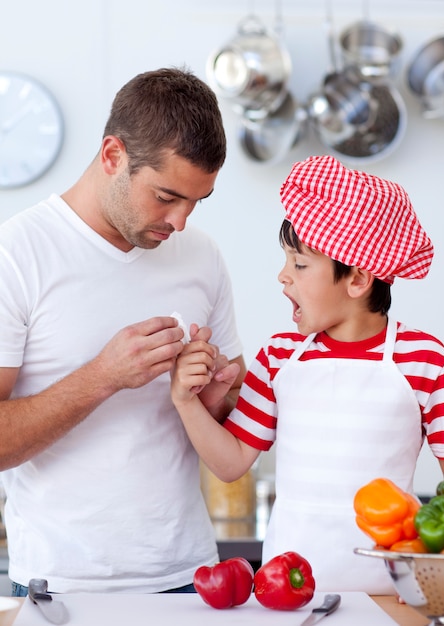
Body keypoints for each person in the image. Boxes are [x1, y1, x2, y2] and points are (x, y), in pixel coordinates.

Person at [171, 154, 444, 594]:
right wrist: (185, 400)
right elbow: (230, 463)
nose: (282, 277)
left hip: (392, 595)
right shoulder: (280, 355)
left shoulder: (425, 360)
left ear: (357, 279)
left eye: (299, 264)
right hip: (286, 591)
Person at [0, 67, 247, 595]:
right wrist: (103, 376)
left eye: (196, 202)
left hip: (191, 579)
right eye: (166, 196)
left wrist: (218, 398)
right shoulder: (16, 254)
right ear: (113, 156)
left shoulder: (202, 256)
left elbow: (225, 424)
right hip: (61, 584)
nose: (180, 222)